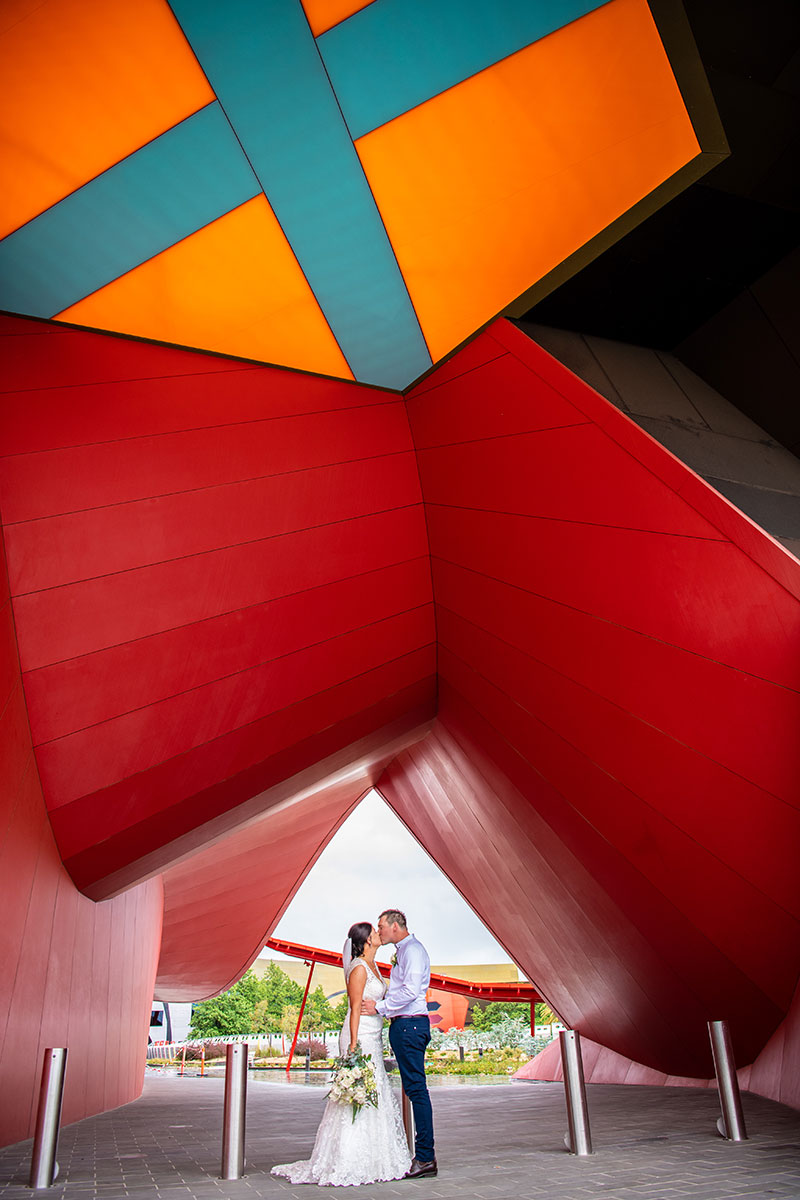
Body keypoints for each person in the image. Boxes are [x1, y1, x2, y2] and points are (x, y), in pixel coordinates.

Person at [271, 921, 411, 1187]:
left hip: (374, 1034)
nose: (378, 934)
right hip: (359, 1035)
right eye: (374, 932)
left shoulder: (375, 966)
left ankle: (375, 1156)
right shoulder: (358, 968)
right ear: (367, 941)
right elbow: (355, 1008)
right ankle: (348, 1158)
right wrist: (353, 1044)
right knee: (358, 1090)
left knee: (375, 1088)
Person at [361, 909, 436, 1179]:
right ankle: (424, 1155)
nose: (379, 931)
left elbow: (410, 991)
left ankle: (426, 1157)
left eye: (381, 926)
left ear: (395, 926)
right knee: (414, 1089)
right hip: (404, 1024)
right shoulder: (403, 951)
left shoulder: (413, 951)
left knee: (417, 1090)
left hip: (411, 1023)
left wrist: (379, 1008)